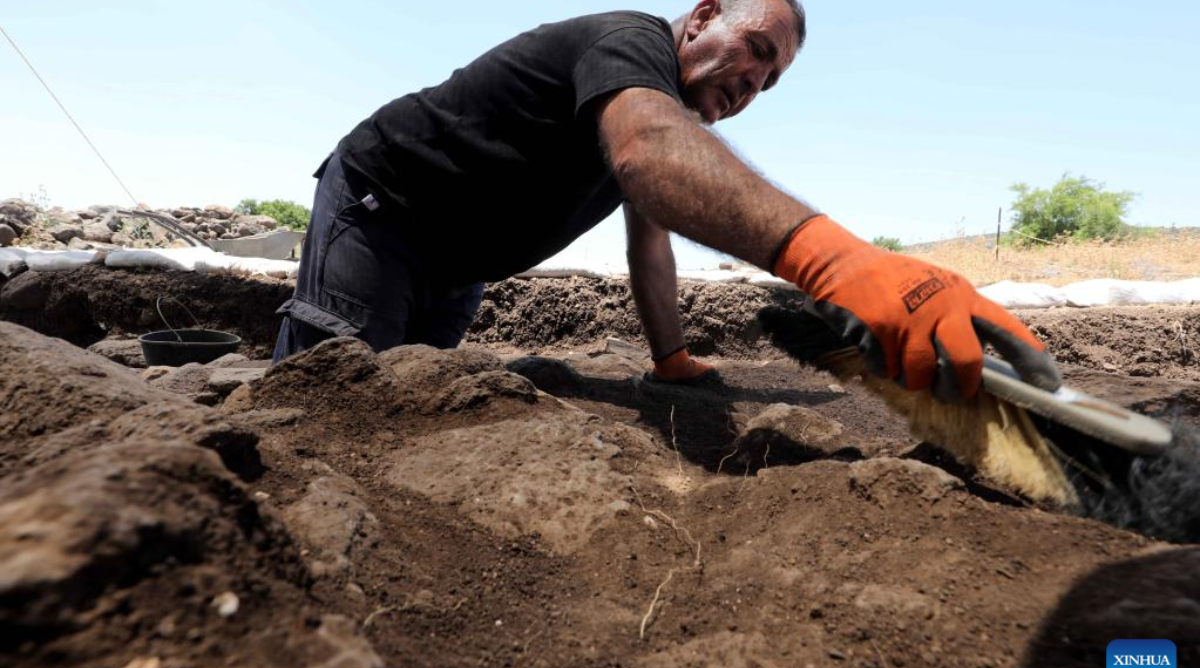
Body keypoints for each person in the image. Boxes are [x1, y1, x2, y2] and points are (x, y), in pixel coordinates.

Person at [273, 0, 1060, 400]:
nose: (753, 83)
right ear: (704, 14)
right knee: (334, 401)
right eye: (756, 50)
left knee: (405, 401)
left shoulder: (655, 119)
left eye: (770, 80)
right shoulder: (627, 47)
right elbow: (650, 152)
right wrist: (837, 260)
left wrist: (671, 359)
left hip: (459, 264)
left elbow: (651, 242)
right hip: (384, 208)